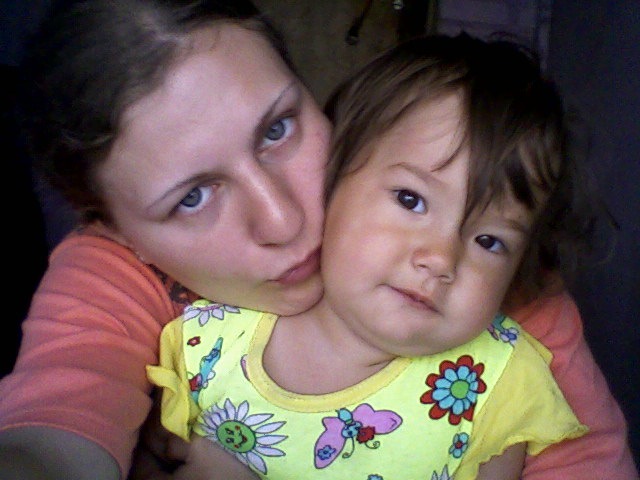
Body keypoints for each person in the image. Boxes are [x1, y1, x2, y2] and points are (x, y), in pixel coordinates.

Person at [0, 0, 635, 479]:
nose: (284, 221)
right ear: (116, 231)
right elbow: (51, 431)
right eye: (192, 198)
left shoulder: (499, 296)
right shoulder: (117, 275)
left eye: (278, 128)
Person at [144, 33, 611, 480]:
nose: (441, 259)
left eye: (489, 241)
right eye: (411, 200)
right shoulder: (209, 345)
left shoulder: (500, 387)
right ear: (330, 178)